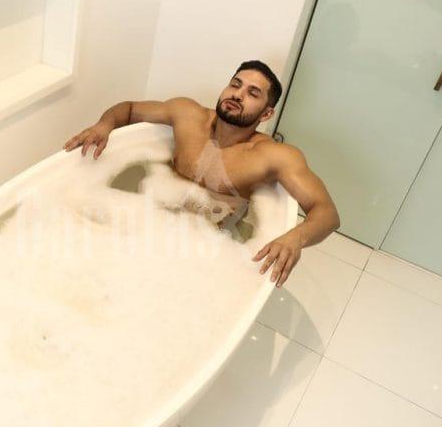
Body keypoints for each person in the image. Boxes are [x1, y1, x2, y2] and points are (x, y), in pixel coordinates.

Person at [63, 60, 340, 287]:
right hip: (147, 217)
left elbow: (327, 213)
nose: (237, 94)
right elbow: (129, 109)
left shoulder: (272, 156)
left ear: (266, 114)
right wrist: (104, 124)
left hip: (208, 243)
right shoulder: (187, 116)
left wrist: (294, 238)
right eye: (235, 84)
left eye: (253, 93)